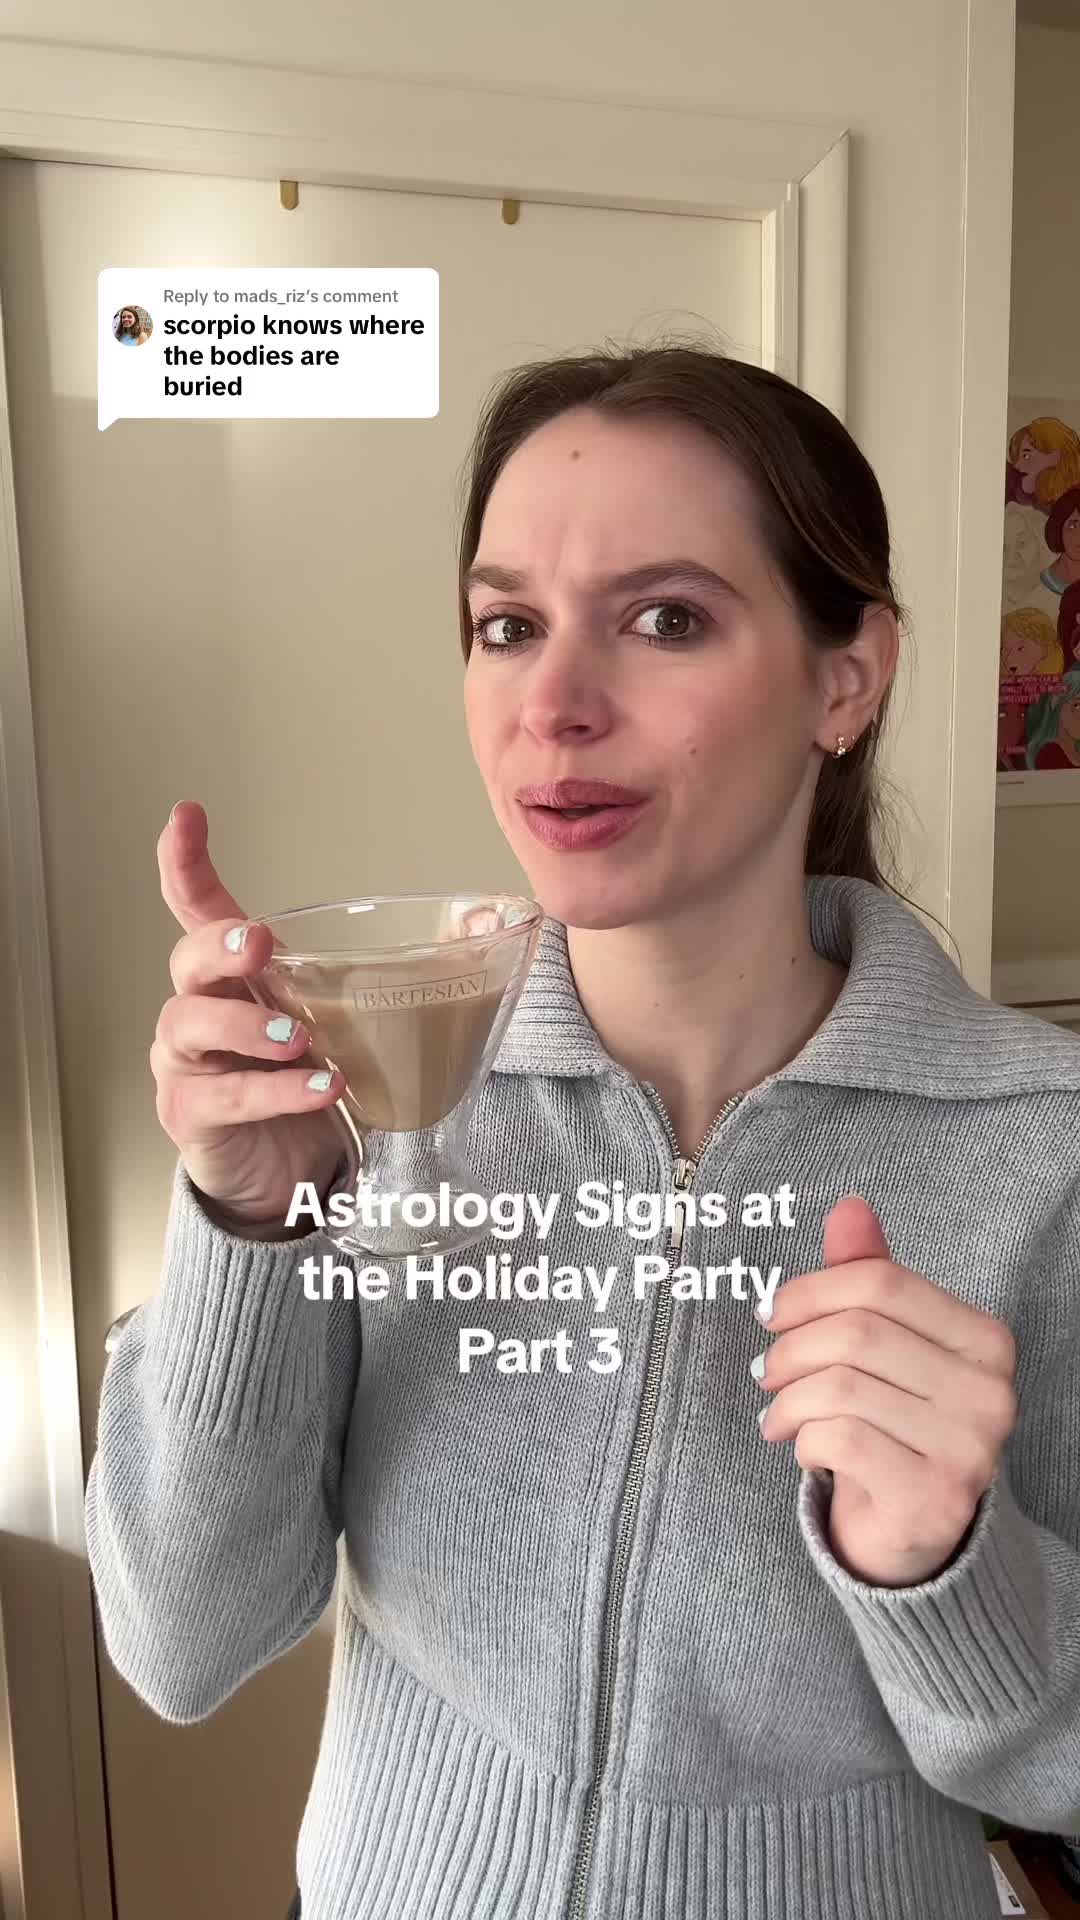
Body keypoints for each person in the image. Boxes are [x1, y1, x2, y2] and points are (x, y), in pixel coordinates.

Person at [84, 347, 1080, 1920]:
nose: (551, 708)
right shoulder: (378, 1087)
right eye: (508, 627)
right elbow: (181, 1646)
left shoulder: (1042, 1153)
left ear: (847, 678)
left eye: (665, 618)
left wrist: (943, 1567)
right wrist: (250, 1227)